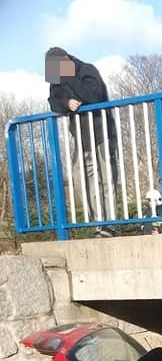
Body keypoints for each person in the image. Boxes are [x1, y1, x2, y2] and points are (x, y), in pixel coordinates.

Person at [45, 47, 118, 237]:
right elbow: (53, 101)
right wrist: (67, 103)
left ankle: (111, 223)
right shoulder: (56, 78)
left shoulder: (87, 70)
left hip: (102, 131)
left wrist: (69, 77)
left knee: (107, 177)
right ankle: (99, 223)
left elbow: (94, 96)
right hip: (81, 136)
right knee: (88, 178)